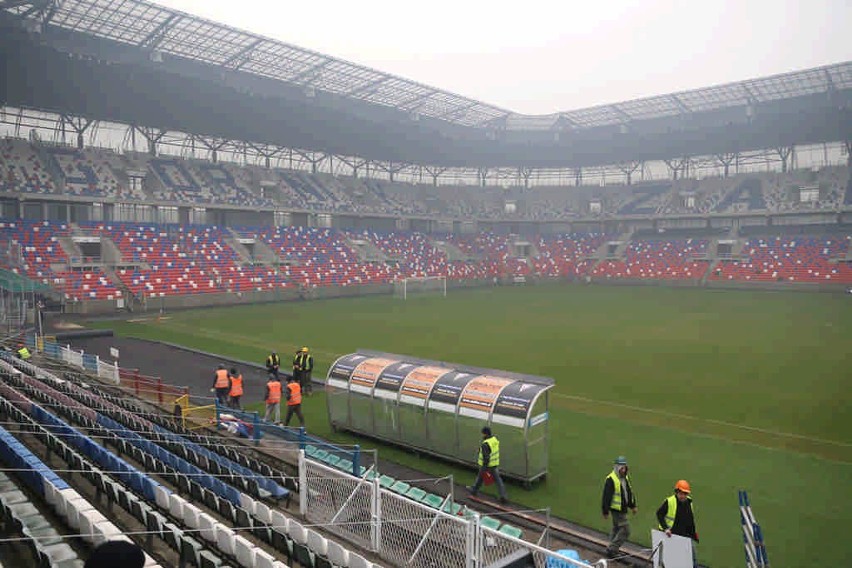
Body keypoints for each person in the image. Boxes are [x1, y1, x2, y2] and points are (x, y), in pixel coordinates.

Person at [601, 456, 637, 560]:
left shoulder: (624, 478)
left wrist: (632, 505)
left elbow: (628, 492)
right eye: (622, 467)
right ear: (617, 467)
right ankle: (612, 549)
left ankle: (612, 549)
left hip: (622, 508)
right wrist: (605, 510)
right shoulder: (611, 479)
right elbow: (606, 496)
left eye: (625, 467)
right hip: (616, 509)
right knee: (626, 530)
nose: (624, 470)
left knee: (616, 529)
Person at [657, 479, 699, 557]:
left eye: (685, 494)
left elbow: (690, 519)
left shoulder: (689, 502)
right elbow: (659, 514)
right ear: (676, 492)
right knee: (672, 557)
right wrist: (666, 528)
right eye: (681, 493)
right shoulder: (669, 501)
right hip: (671, 535)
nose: (683, 496)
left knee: (691, 557)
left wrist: (693, 534)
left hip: (684, 535)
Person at [466, 426, 507, 504]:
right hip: (494, 464)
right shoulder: (494, 440)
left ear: (485, 434)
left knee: (480, 477)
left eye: (483, 434)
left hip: (487, 465)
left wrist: (484, 468)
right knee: (498, 481)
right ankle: (503, 496)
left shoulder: (486, 444)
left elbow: (486, 457)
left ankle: (474, 490)